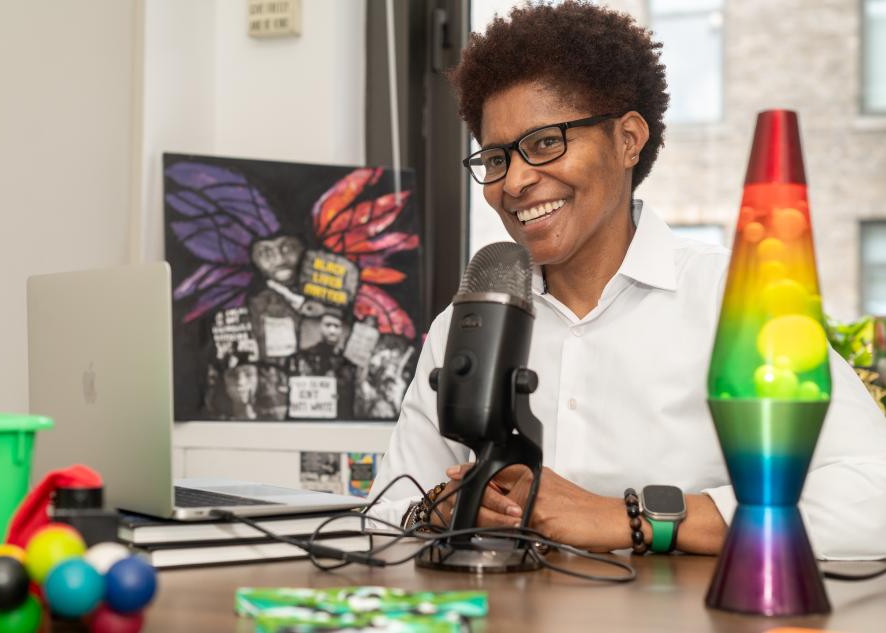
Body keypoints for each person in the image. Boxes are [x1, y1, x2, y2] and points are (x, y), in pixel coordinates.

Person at [367, 1, 886, 559]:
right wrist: (437, 510)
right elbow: (381, 518)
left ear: (628, 140)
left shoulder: (734, 299)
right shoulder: (464, 325)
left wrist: (637, 519)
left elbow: (871, 493)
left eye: (546, 143)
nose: (513, 181)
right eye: (495, 158)